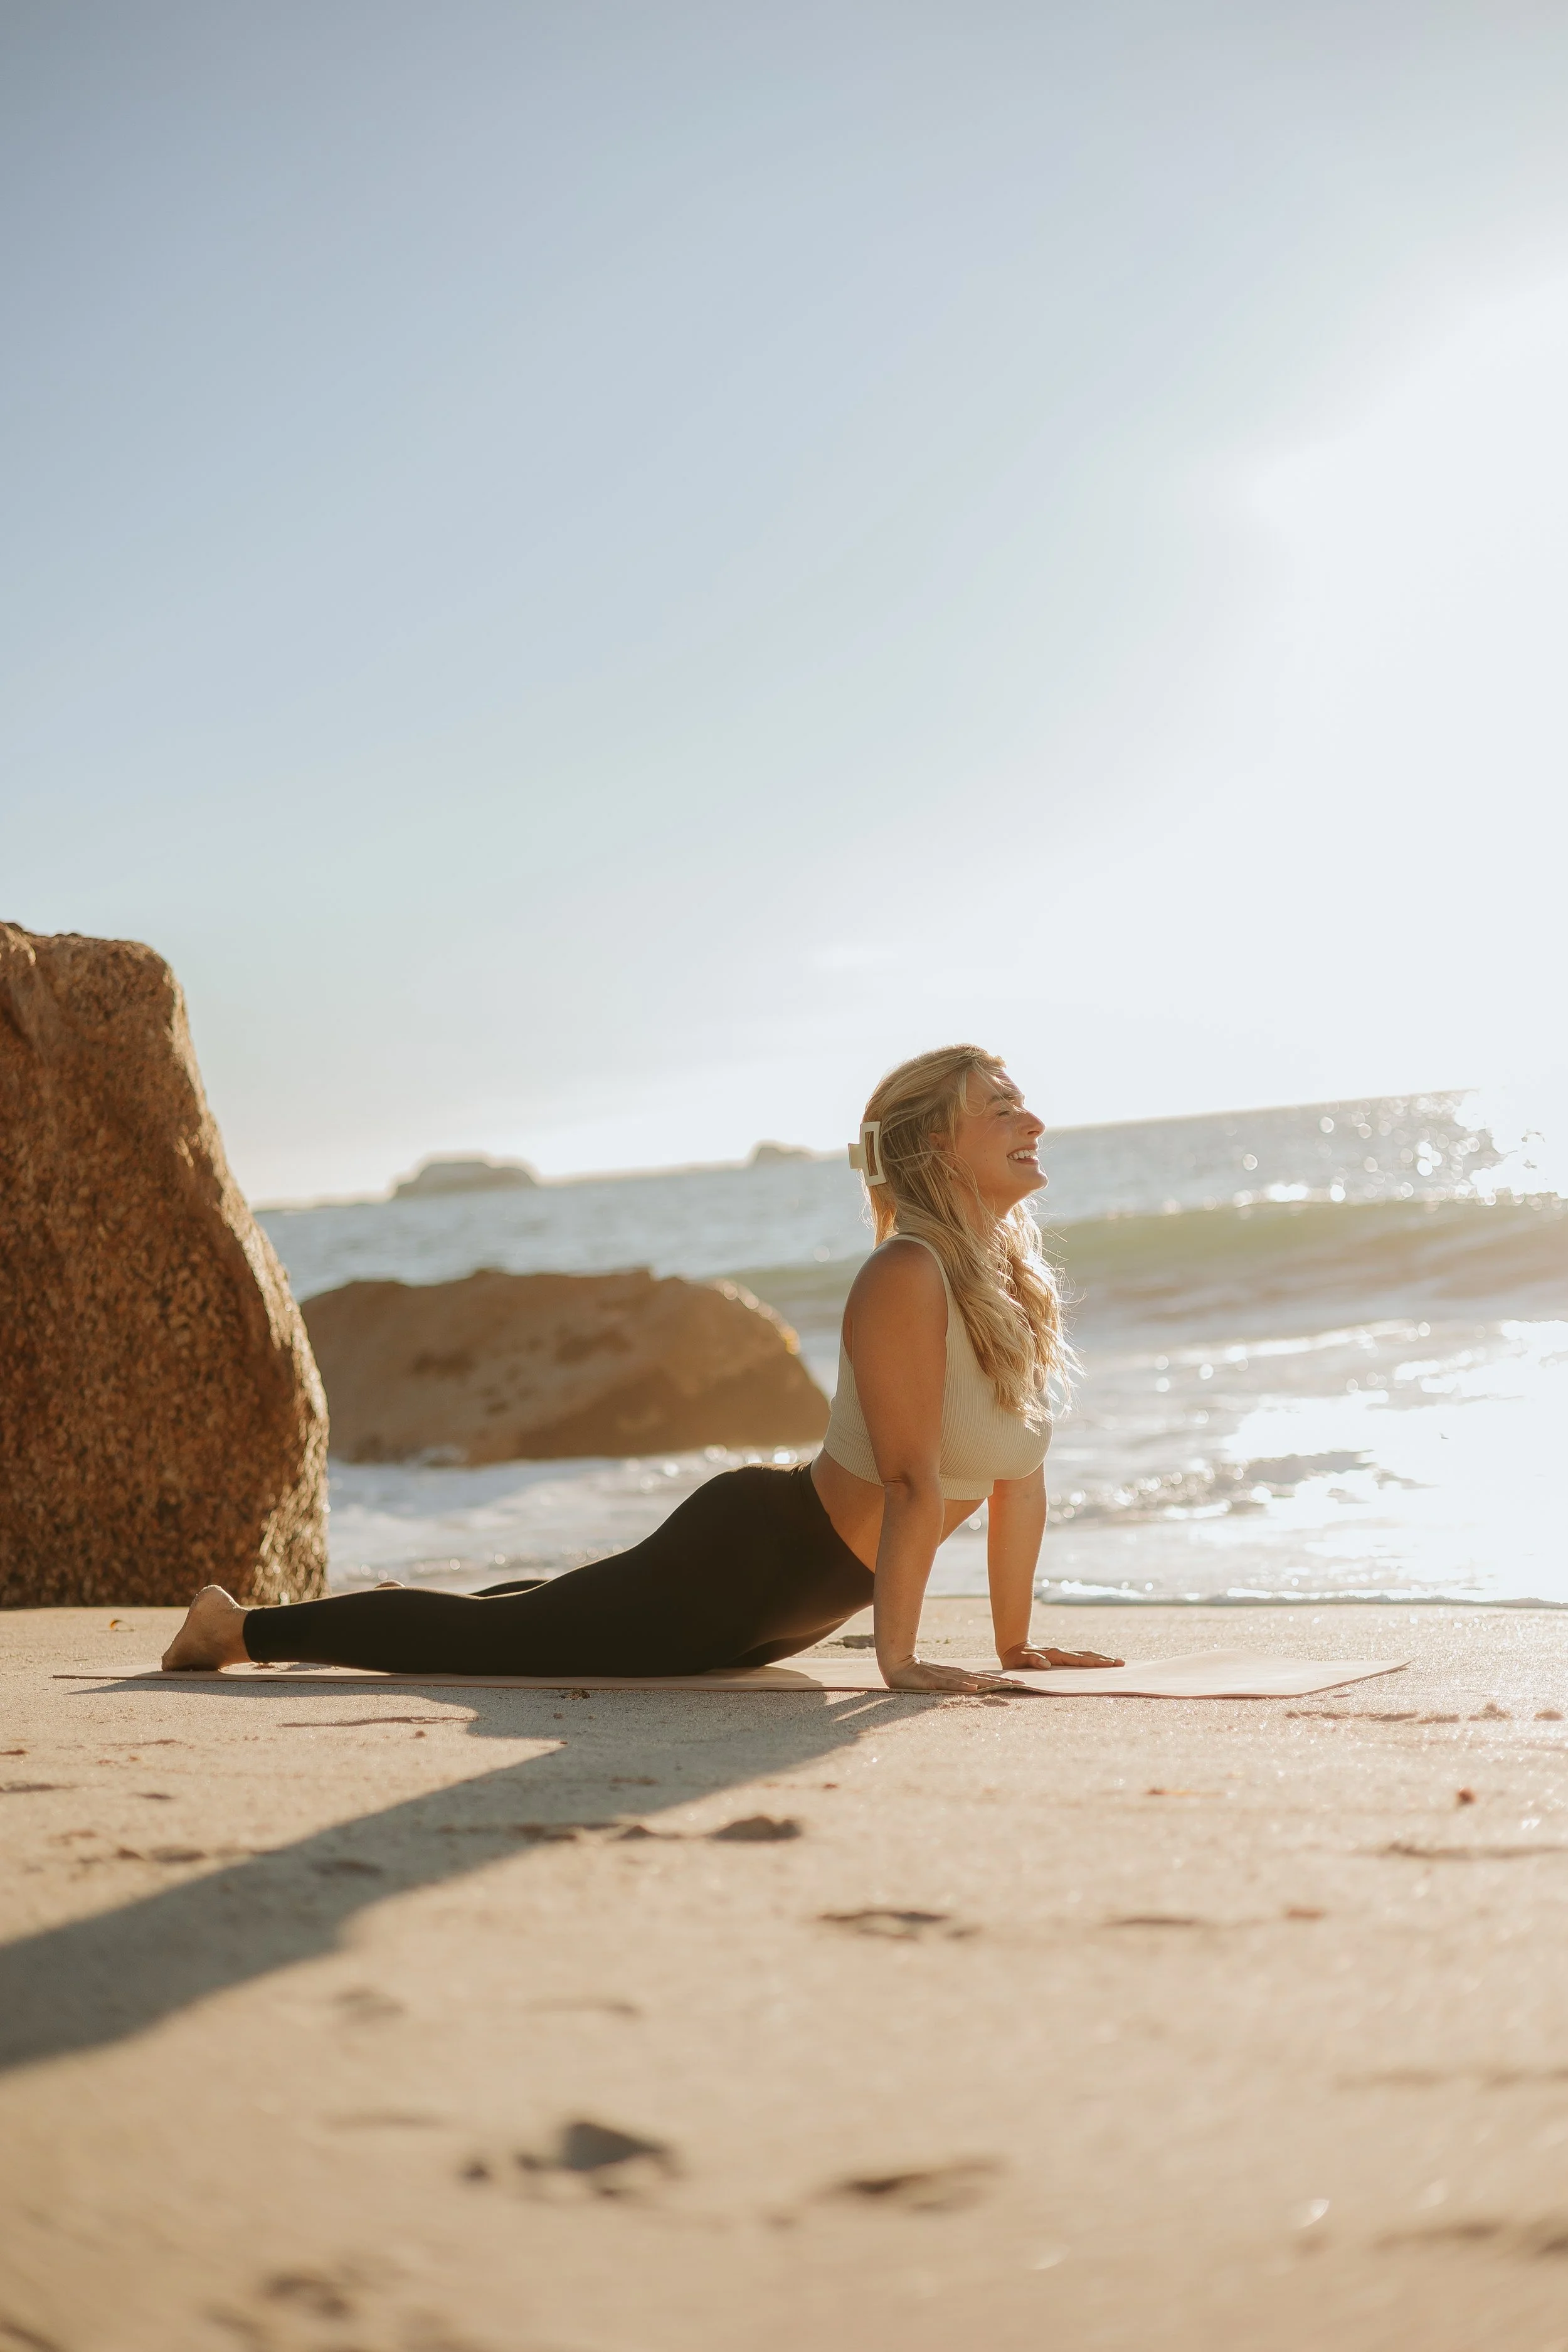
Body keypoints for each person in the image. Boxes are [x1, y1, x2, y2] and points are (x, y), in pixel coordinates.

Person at [162, 1045, 1121, 1692]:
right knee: (500, 1652)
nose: (1030, 1116)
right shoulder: (906, 1271)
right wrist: (900, 1662)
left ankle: (392, 1612)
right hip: (751, 1561)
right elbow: (914, 1479)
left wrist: (1015, 1643)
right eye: (1000, 1107)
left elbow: (1018, 1482)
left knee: (551, 1620)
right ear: (935, 1144)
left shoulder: (1012, 1289)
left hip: (799, 1609)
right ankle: (237, 1628)